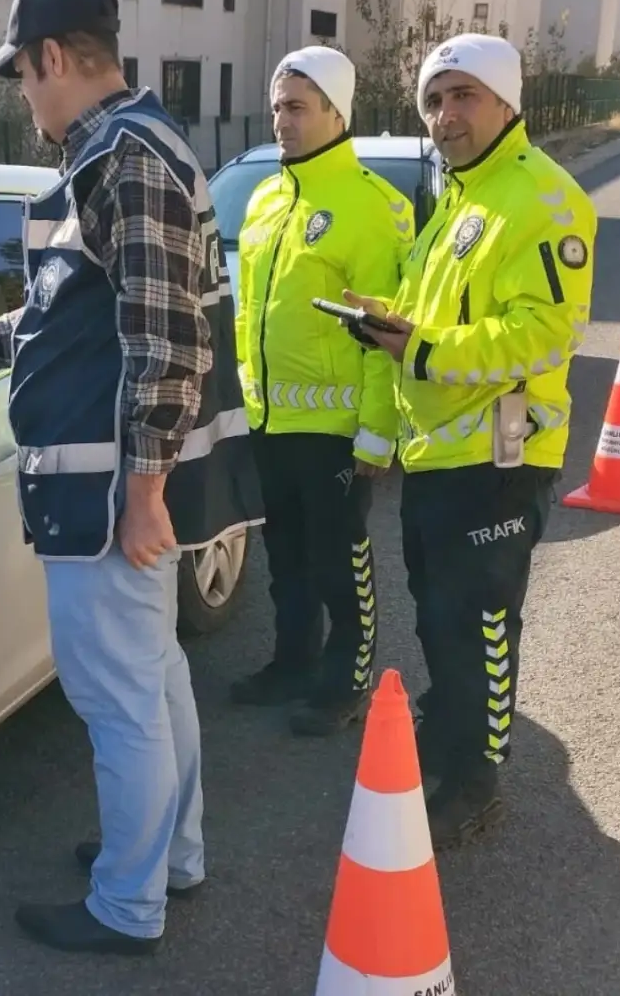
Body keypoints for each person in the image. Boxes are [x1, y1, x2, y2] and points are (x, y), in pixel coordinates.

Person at [0, 0, 263, 955]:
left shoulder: (123, 157)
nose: (20, 94)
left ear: (53, 57)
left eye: (20, 73)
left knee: (117, 691)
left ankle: (126, 900)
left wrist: (141, 491)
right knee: (148, 680)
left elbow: (163, 341)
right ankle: (164, 856)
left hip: (104, 493)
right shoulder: (105, 157)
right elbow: (66, 318)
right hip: (102, 486)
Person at [343, 33, 596, 848]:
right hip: (437, 452)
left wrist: (415, 345)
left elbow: (543, 336)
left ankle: (478, 779)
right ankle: (445, 738)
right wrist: (380, 320)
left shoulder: (545, 200)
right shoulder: (457, 199)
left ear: (506, 102)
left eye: (464, 96)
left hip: (499, 458)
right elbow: (436, 316)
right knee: (439, 615)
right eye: (434, 99)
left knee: (483, 619)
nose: (446, 115)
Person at [229, 46, 414, 738]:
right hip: (270, 420)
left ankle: (347, 681)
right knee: (287, 557)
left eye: (298, 107)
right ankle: (292, 663)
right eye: (278, 106)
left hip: (335, 427)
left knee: (343, 561)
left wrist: (377, 428)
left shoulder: (373, 208)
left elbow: (383, 333)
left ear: (338, 113)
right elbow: (250, 313)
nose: (283, 120)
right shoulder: (266, 197)